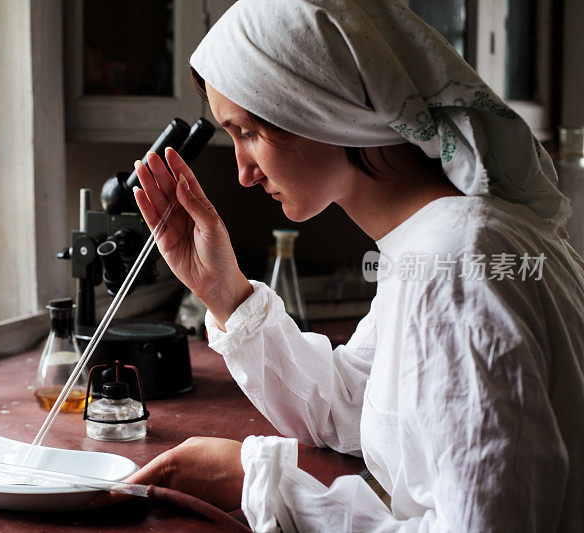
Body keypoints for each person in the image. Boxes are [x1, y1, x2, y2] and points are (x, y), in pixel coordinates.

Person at [92, 0, 584, 530]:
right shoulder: (429, 247)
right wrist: (224, 292)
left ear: (318, 104)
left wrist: (264, 485)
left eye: (249, 132)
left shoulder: (457, 266)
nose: (243, 173)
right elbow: (348, 405)